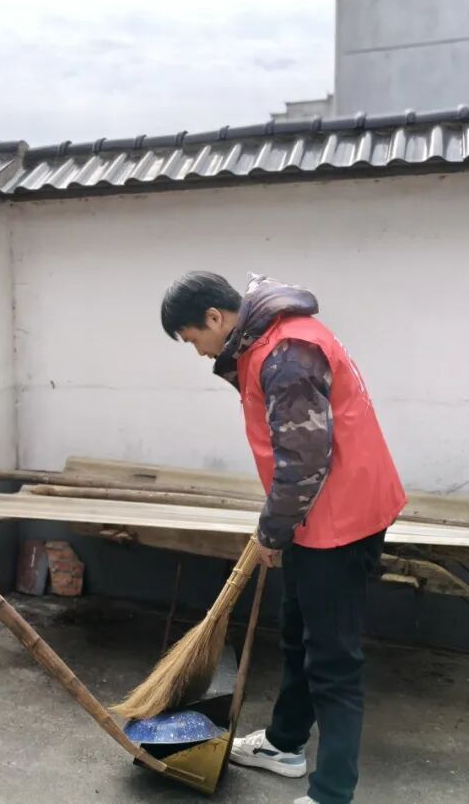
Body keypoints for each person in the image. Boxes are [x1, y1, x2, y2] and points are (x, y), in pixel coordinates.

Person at [160, 272, 405, 804]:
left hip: (341, 522)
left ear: (215, 318)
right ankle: (284, 744)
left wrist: (272, 531)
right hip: (317, 516)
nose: (199, 352)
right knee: (298, 634)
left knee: (333, 662)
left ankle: (332, 794)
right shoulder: (267, 341)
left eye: (194, 339)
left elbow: (305, 460)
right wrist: (281, 522)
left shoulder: (286, 354)